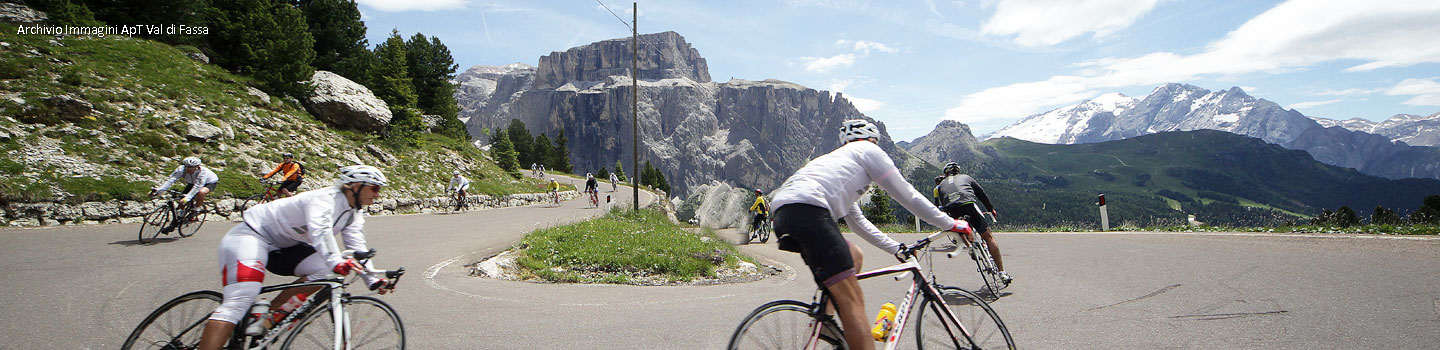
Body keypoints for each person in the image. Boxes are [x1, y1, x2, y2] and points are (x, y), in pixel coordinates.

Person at [769, 119, 972, 350]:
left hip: (784, 213)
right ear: (873, 139)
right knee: (853, 303)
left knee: (854, 255)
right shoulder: (868, 150)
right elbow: (908, 195)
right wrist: (951, 224)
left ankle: (824, 322)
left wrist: (895, 248)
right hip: (810, 209)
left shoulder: (838, 164)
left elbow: (858, 222)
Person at [196, 165, 397, 350]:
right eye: (375, 188)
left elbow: (357, 248)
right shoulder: (324, 199)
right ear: (355, 185)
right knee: (241, 299)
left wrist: (373, 280)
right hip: (251, 236)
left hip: (284, 246)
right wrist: (337, 261)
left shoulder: (353, 212)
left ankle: (268, 316)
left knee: (327, 273)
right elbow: (321, 233)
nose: (377, 195)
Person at [935, 161, 1010, 285]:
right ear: (957, 171)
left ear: (945, 173)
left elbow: (942, 204)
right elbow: (981, 194)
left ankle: (970, 247)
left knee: (961, 228)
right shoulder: (966, 177)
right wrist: (990, 209)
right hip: (968, 203)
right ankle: (1002, 272)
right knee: (988, 237)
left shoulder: (940, 185)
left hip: (951, 208)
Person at [152, 156, 219, 220]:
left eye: (191, 167)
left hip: (209, 182)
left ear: (197, 167)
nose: (188, 169)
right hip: (192, 183)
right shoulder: (180, 169)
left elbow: (198, 186)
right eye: (186, 167)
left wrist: (187, 198)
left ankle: (197, 209)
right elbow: (170, 181)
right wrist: (159, 190)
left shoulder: (203, 172)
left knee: (201, 192)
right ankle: (181, 215)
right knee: (182, 200)